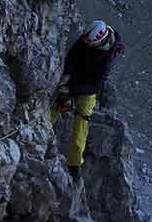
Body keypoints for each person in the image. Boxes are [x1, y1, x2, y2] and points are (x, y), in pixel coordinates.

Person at [50, 19, 125, 182]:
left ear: (98, 41)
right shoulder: (87, 38)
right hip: (75, 77)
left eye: (88, 42)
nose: (84, 42)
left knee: (82, 122)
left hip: (88, 87)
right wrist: (68, 75)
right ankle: (43, 129)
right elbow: (72, 55)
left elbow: (96, 86)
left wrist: (72, 90)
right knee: (56, 104)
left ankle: (74, 165)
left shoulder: (108, 57)